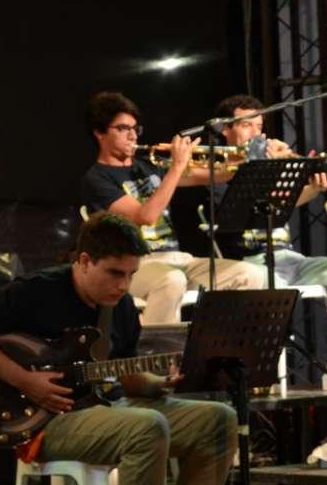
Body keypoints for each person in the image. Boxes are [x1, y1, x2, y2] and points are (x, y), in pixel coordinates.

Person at [0, 213, 238, 485]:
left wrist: (160, 383)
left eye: (131, 274)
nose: (124, 285)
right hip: (41, 422)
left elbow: (127, 376)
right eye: (115, 273)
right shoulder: (38, 291)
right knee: (146, 427)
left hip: (104, 406)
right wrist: (23, 380)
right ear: (85, 261)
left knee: (218, 420)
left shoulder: (121, 306)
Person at [80, 91, 266, 324]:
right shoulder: (97, 179)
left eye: (135, 128)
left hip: (177, 258)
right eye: (123, 128)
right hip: (134, 265)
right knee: (171, 280)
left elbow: (218, 175)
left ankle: (217, 342)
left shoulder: (149, 165)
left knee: (249, 274)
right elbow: (146, 216)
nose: (132, 135)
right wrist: (177, 167)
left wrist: (253, 158)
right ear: (99, 133)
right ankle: (157, 346)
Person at [212, 94, 327, 292]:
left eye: (259, 126)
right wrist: (265, 166)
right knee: (279, 290)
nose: (255, 134)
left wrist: (315, 187)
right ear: (225, 129)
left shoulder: (266, 162)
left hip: (288, 256)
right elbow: (246, 208)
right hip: (251, 261)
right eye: (246, 125)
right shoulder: (215, 172)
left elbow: (283, 202)